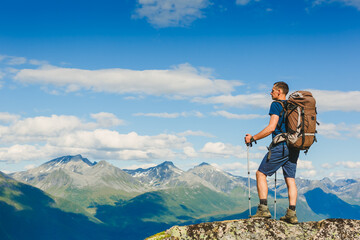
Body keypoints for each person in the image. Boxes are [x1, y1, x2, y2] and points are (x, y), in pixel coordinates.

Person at [244, 81, 300, 224]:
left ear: (279, 91)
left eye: (272, 90)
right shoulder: (293, 106)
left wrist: (253, 138)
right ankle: (291, 214)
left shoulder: (276, 105)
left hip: (281, 145)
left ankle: (263, 209)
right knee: (290, 179)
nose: (270, 93)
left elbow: (271, 128)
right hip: (294, 146)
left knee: (260, 173)